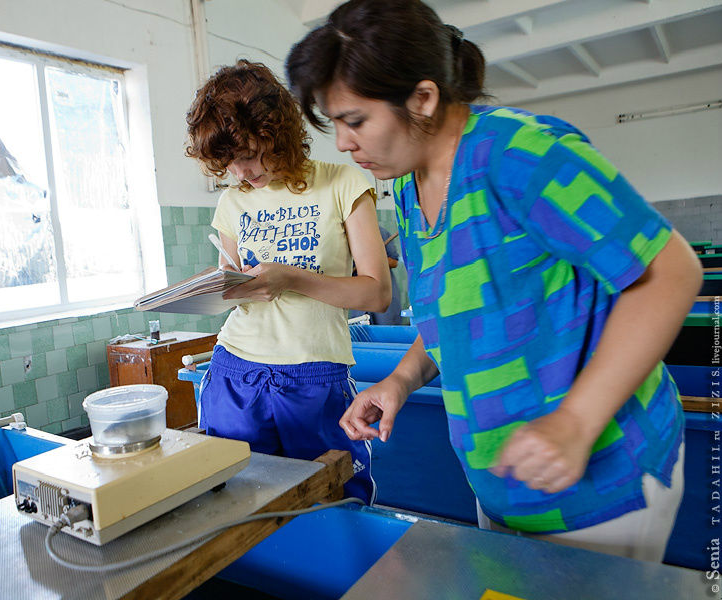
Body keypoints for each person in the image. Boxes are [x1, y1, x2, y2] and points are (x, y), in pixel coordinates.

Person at [285, 0, 703, 560]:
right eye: (333, 123)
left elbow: (671, 273)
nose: (341, 142)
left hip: (599, 486)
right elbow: (456, 312)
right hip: (505, 486)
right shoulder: (410, 187)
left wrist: (577, 422)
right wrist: (401, 381)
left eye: (354, 120)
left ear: (423, 99)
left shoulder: (520, 154)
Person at [184, 60, 392, 504]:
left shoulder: (342, 182)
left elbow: (377, 291)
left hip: (314, 374)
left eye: (245, 155)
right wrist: (211, 288)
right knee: (233, 502)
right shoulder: (232, 201)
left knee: (336, 499)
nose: (239, 173)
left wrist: (292, 279)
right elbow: (233, 284)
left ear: (273, 131)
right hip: (234, 370)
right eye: (227, 163)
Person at [349, 226, 404, 325]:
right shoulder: (346, 233)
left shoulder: (381, 232)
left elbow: (394, 262)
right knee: (361, 333)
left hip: (382, 295)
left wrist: (370, 258)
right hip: (360, 298)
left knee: (386, 334)